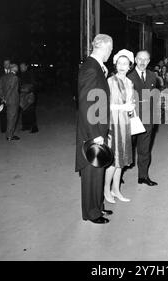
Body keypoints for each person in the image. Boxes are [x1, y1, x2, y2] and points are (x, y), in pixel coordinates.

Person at [75, 34, 113, 224]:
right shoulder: (90, 68)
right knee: (91, 171)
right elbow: (86, 104)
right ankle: (91, 213)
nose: (110, 53)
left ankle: (98, 206)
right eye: (110, 49)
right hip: (93, 131)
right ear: (105, 47)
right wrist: (96, 134)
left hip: (98, 127)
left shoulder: (96, 67)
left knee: (98, 169)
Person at [104, 49, 135, 204]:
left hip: (125, 123)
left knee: (121, 161)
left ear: (130, 66)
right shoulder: (110, 81)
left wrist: (131, 108)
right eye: (119, 63)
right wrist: (122, 108)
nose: (122, 66)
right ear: (115, 64)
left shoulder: (130, 83)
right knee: (112, 160)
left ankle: (116, 190)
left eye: (126, 63)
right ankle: (106, 190)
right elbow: (105, 105)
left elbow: (130, 103)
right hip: (113, 123)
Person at [127, 50, 158, 186]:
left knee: (144, 149)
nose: (142, 62)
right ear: (135, 59)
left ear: (149, 61)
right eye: (140, 59)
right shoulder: (128, 76)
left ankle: (143, 176)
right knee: (127, 147)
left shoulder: (152, 76)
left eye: (145, 59)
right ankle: (118, 174)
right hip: (131, 118)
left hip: (147, 118)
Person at [0, 63, 20, 141]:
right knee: (12, 119)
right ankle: (9, 136)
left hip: (7, 100)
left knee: (9, 118)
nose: (18, 68)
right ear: (14, 68)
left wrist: (2, 97)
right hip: (13, 101)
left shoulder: (3, 77)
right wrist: (5, 99)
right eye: (17, 67)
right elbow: (11, 89)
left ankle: (9, 134)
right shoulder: (15, 77)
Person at [19, 62, 39, 133]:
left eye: (22, 66)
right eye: (20, 67)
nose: (21, 68)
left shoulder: (30, 74)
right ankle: (26, 126)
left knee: (31, 111)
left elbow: (34, 84)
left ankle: (34, 128)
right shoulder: (20, 75)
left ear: (26, 66)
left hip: (30, 95)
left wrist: (28, 89)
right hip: (23, 96)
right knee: (24, 111)